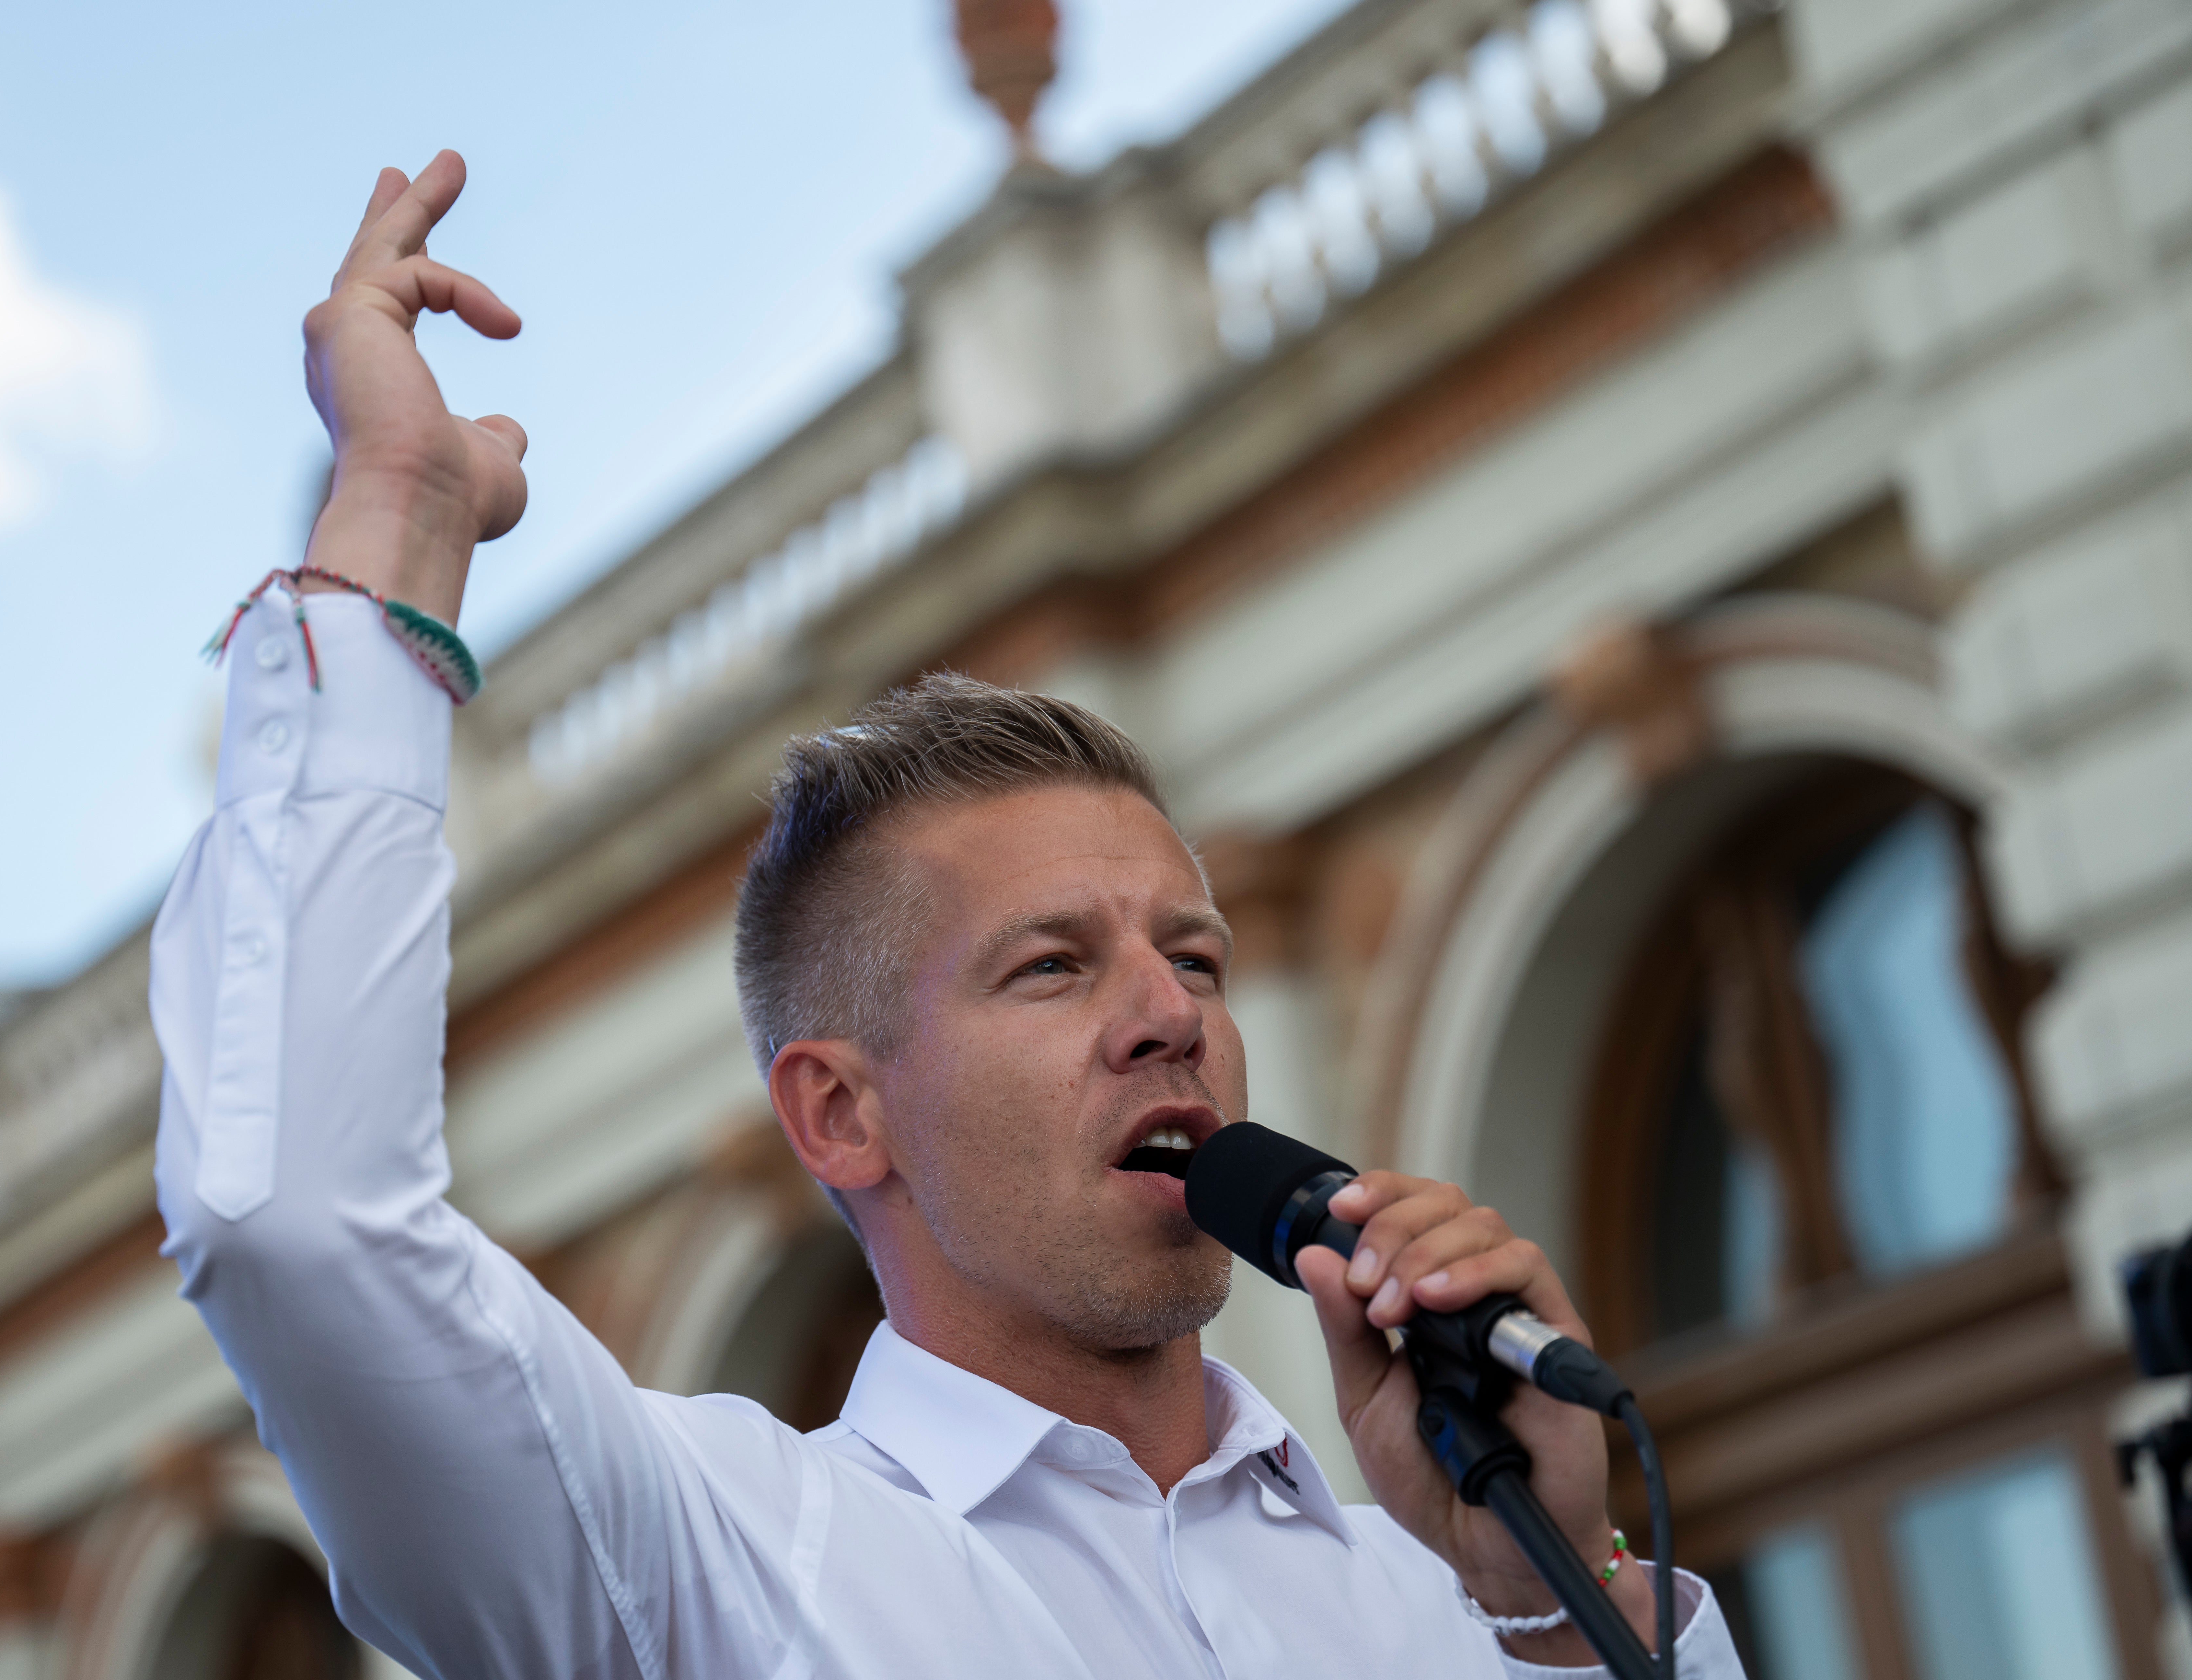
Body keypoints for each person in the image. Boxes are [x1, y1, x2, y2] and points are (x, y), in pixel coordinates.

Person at [153, 150, 1744, 1678]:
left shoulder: (1453, 1604)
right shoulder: (711, 1572)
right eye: (1051, 967)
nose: (1170, 1010)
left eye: (1194, 954)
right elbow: (293, 1211)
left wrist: (1552, 1589)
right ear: (841, 1112)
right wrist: (400, 518)